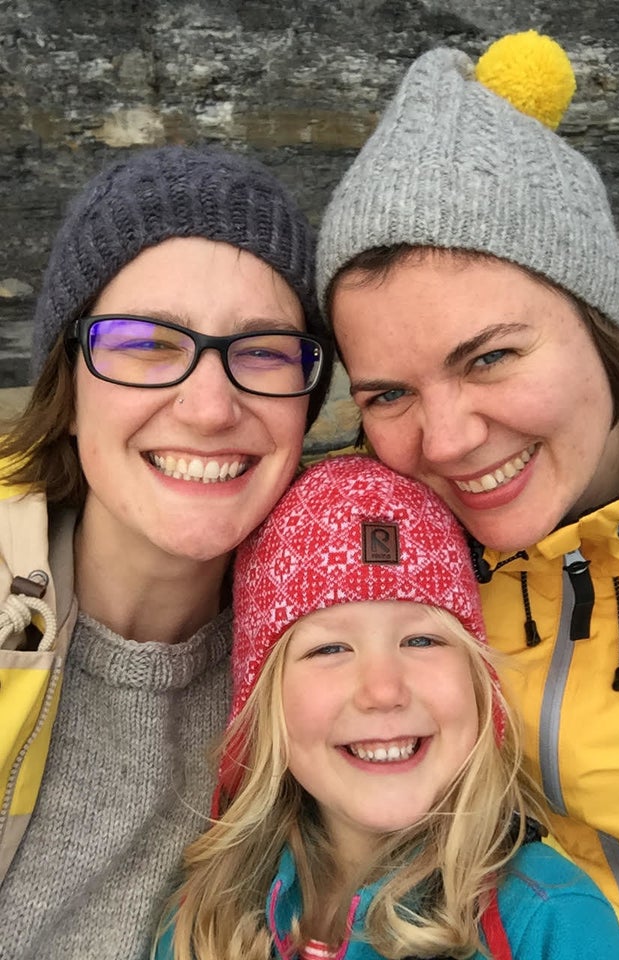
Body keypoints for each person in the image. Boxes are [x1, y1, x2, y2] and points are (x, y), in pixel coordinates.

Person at [315, 30, 619, 960]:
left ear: (602, 320)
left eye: (490, 357)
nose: (449, 441)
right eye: (388, 394)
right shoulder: (380, 546)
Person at [0, 145, 331, 960]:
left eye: (261, 351)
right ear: (66, 388)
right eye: (147, 342)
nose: (211, 407)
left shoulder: (339, 645)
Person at [155, 454, 619, 960]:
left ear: (478, 681)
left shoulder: (553, 921)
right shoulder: (206, 921)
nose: (383, 690)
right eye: (330, 649)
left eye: (423, 640)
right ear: (261, 701)